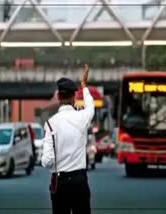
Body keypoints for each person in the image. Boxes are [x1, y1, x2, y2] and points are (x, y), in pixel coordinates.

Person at [41, 64, 94, 214]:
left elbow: (47, 161)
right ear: (74, 96)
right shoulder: (82, 118)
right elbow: (90, 107)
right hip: (79, 180)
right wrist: (84, 85)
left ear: (58, 97)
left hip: (60, 182)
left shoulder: (50, 124)